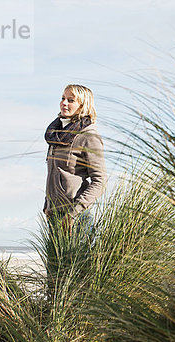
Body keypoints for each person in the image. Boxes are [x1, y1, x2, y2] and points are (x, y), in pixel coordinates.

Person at [43, 84, 107, 232]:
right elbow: (54, 173)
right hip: (54, 216)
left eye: (71, 100)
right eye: (63, 98)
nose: (64, 103)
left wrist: (73, 214)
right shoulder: (56, 135)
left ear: (83, 106)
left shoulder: (89, 136)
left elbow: (100, 182)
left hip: (76, 218)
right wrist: (47, 206)